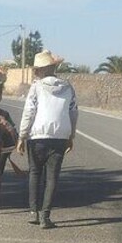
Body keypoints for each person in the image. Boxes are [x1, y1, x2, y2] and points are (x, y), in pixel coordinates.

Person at [16, 50, 79, 229]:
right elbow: (73, 112)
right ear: (53, 68)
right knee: (52, 177)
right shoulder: (68, 87)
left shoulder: (36, 87)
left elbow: (29, 112)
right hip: (60, 137)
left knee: (35, 173)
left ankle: (33, 212)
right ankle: (46, 216)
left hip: (37, 137)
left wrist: (22, 135)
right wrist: (71, 135)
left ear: (40, 70)